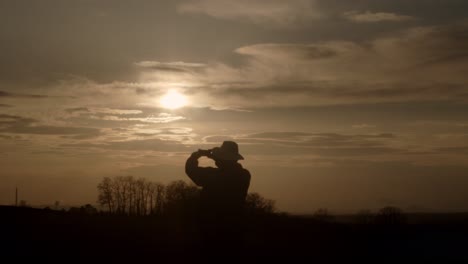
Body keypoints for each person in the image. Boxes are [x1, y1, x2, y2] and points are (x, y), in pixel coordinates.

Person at [185, 141, 251, 216]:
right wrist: (214, 157)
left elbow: (191, 170)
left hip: (213, 221)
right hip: (235, 220)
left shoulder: (214, 175)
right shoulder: (244, 175)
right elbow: (228, 166)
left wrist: (194, 156)